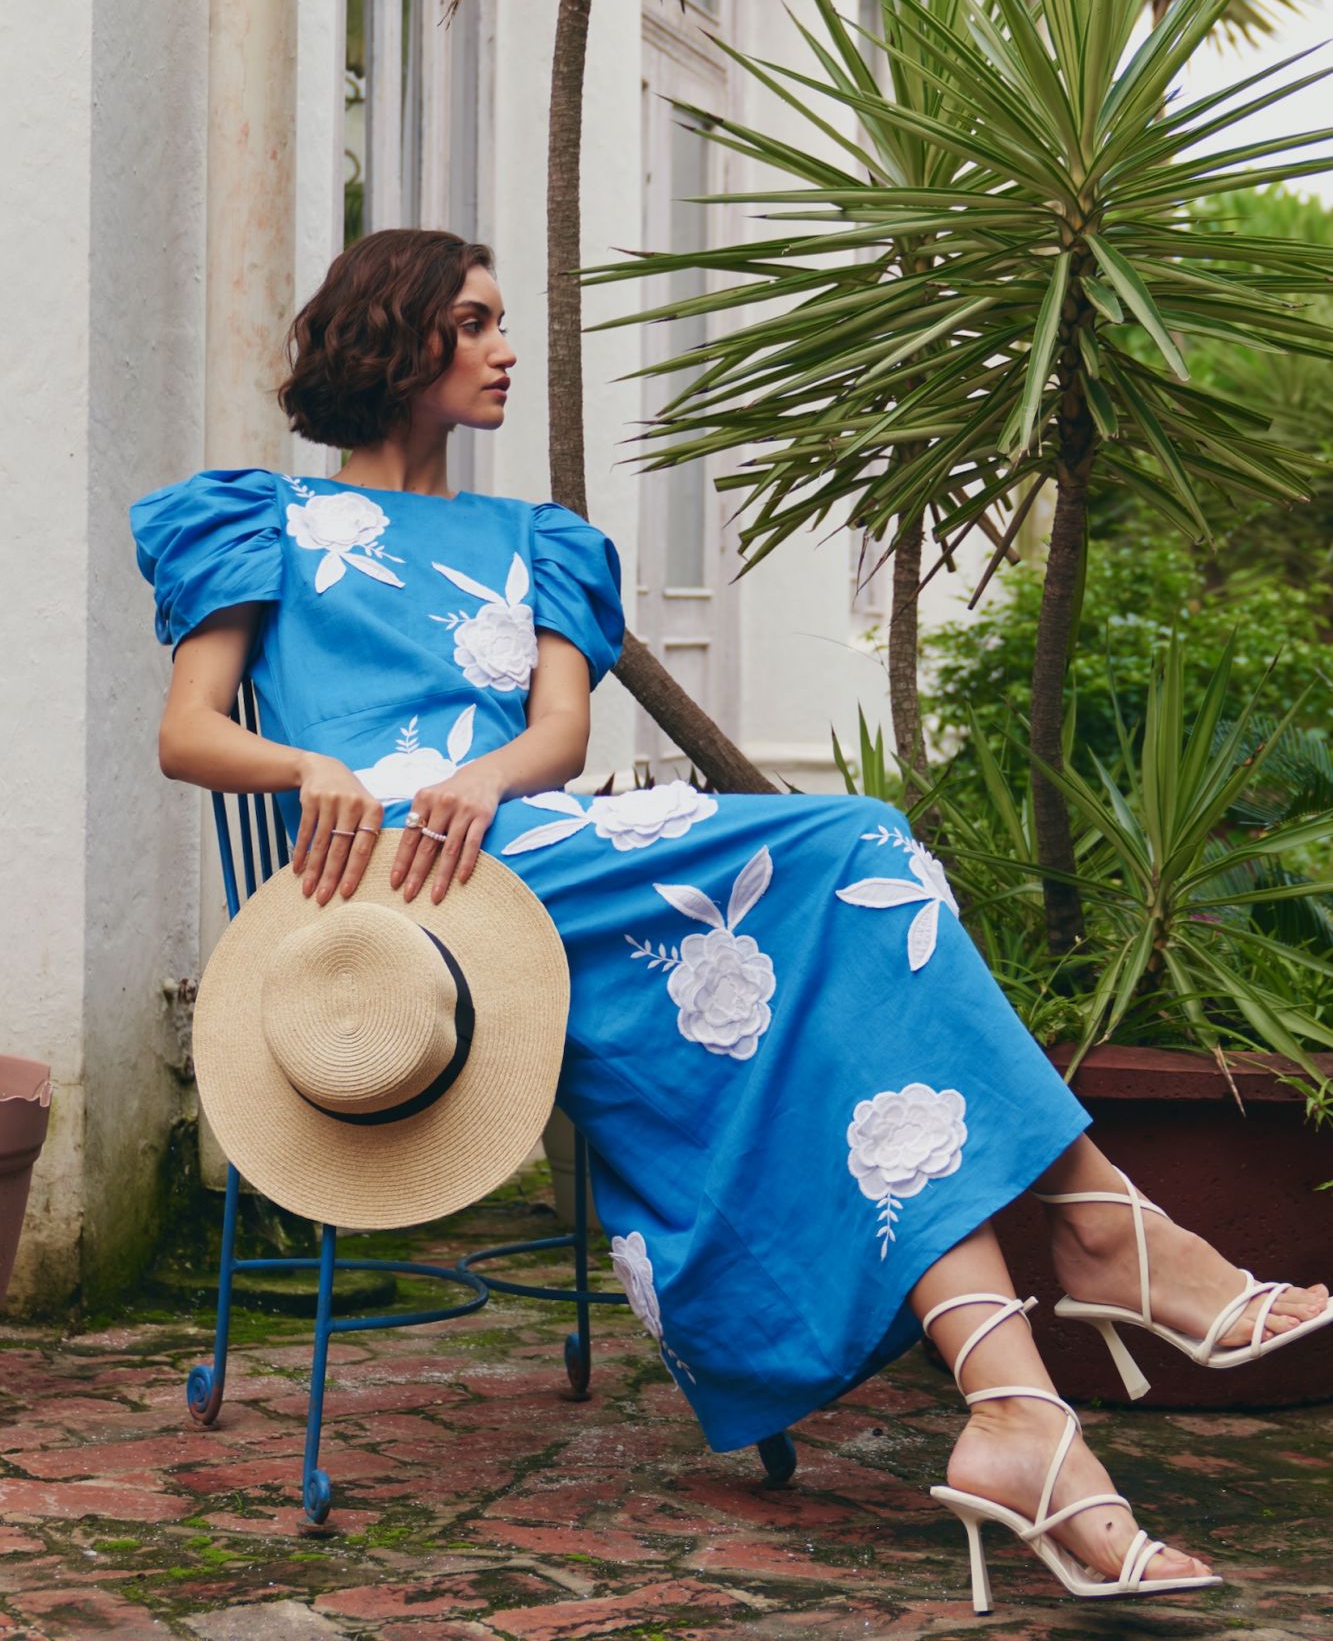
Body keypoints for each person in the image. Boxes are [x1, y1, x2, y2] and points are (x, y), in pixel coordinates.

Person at [131, 228, 1330, 1611]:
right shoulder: (255, 519)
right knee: (856, 852)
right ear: (395, 338)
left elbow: (565, 734)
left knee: (847, 970)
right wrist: (314, 769)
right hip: (382, 899)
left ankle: (1023, 1422)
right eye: (474, 322)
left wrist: (483, 772)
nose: (505, 348)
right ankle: (1107, 1232)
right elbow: (187, 734)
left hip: (534, 847)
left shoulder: (538, 542)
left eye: (501, 322)